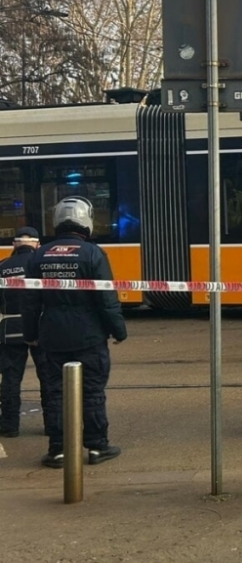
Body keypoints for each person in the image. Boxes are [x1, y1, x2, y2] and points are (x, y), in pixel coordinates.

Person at [21, 197, 127, 469]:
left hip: (52, 334)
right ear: (86, 221)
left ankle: (58, 450)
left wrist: (30, 334)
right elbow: (106, 298)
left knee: (56, 393)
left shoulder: (38, 255)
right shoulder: (93, 254)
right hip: (89, 334)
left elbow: (31, 303)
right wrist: (118, 330)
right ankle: (96, 447)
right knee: (92, 392)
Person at [0, 227, 47, 438]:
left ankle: (9, 426)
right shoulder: (42, 266)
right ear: (37, 245)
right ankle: (53, 425)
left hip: (11, 330)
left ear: (14, 245)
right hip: (41, 328)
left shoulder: (3, 267)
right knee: (48, 378)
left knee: (10, 379)